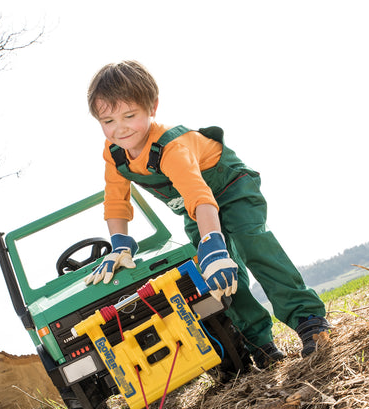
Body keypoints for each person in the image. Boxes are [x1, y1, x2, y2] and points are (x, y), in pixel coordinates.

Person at [84, 60, 330, 369]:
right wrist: (120, 243)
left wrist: (213, 243)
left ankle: (309, 320)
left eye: (129, 116)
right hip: (194, 207)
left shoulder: (171, 146)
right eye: (108, 120)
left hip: (230, 187)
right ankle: (260, 342)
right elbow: (116, 200)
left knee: (251, 244)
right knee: (219, 273)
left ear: (152, 107)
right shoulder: (115, 154)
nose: (119, 128)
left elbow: (201, 196)